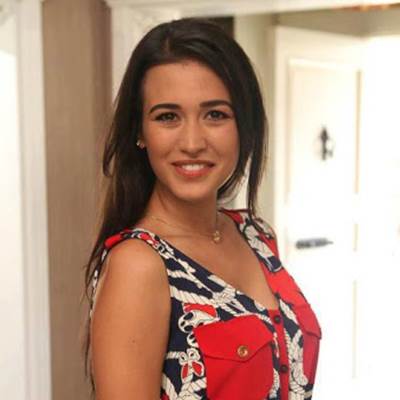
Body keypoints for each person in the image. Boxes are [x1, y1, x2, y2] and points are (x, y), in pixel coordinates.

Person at [83, 17, 321, 400]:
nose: (192, 142)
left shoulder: (257, 236)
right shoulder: (139, 265)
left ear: (244, 125)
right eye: (168, 117)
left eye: (215, 115)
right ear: (140, 132)